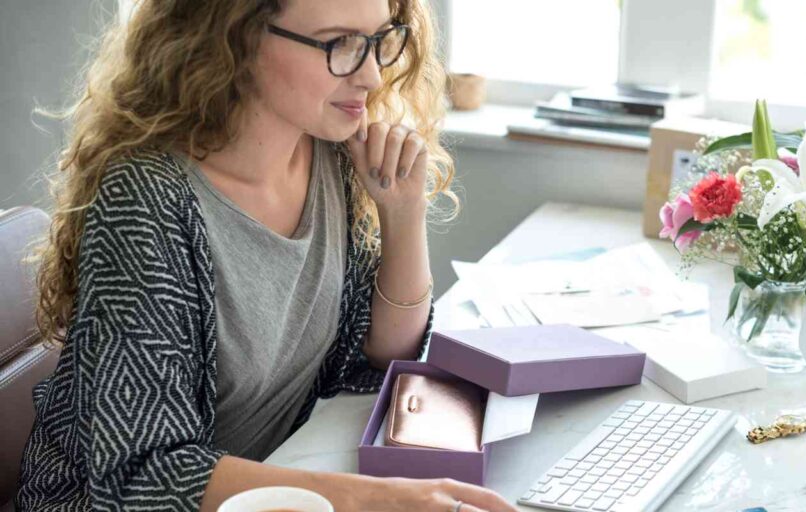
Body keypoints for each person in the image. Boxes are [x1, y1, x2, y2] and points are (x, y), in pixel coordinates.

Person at [17, 0, 516, 510]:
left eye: (379, 40)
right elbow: (143, 473)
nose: (370, 74)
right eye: (339, 44)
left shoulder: (331, 152)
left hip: (275, 483)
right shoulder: (145, 200)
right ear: (237, 38)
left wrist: (403, 211)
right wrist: (376, 499)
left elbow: (380, 360)